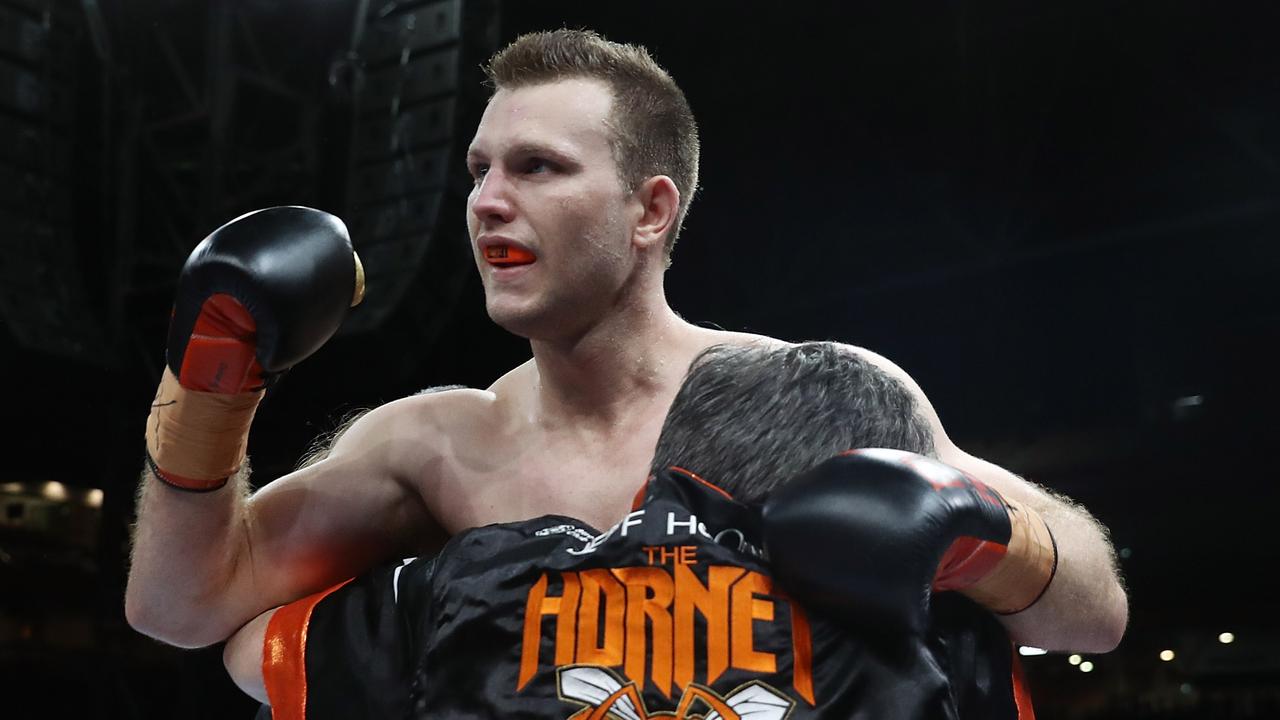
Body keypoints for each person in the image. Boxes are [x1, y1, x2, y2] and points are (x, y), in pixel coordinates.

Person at [125, 29, 1126, 661]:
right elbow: (182, 606)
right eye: (477, 170)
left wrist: (981, 538)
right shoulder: (430, 445)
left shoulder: (810, 395)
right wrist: (209, 387)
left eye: (536, 167)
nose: (486, 203)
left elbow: (1090, 615)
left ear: (651, 210)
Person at [222, 342, 1045, 718]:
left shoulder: (495, 577)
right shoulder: (917, 637)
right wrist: (981, 543)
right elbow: (1095, 616)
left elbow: (247, 651)